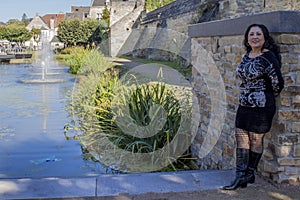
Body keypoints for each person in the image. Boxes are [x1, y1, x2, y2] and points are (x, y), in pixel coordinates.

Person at [222, 24, 284, 190]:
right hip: (244, 105)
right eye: (251, 34)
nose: (255, 37)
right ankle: (240, 175)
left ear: (265, 37)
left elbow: (278, 83)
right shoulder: (247, 55)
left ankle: (249, 173)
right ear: (247, 38)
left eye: (258, 34)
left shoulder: (268, 57)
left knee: (256, 139)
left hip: (262, 106)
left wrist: (262, 95)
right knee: (241, 136)